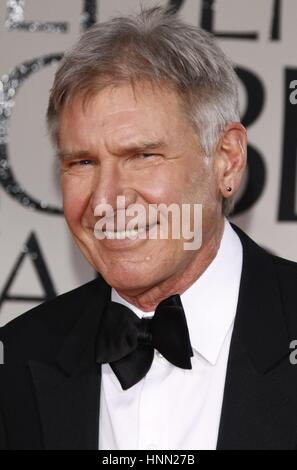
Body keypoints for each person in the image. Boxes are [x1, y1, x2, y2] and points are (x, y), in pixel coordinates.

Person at [0, 6, 297, 450]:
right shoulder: (17, 361)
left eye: (143, 155)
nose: (105, 200)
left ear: (227, 160)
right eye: (82, 162)